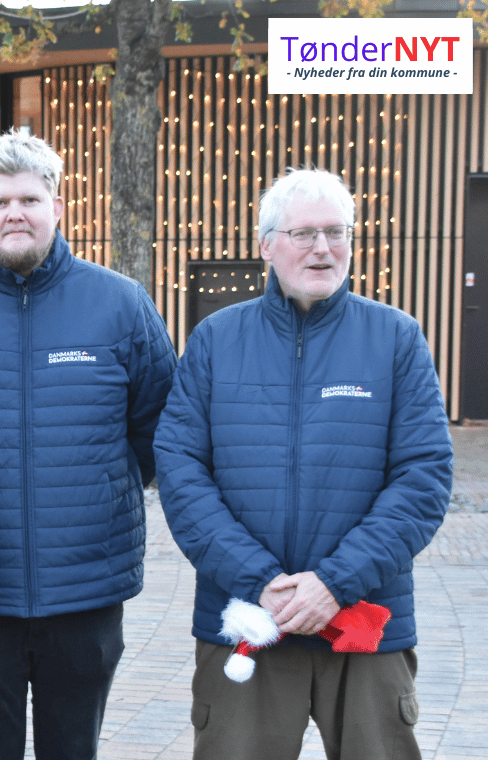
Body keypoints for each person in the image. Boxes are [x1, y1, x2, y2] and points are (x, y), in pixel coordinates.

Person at [0, 131, 177, 760]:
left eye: (29, 198)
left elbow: (158, 424)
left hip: (86, 587)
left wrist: (103, 488)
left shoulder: (121, 305)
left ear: (57, 207)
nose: (14, 213)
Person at [153, 168, 453, 760]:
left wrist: (334, 583)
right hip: (246, 619)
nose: (322, 248)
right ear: (266, 245)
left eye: (336, 232)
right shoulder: (215, 339)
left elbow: (423, 479)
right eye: (304, 233)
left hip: (366, 619)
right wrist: (260, 580)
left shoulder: (396, 339)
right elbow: (182, 472)